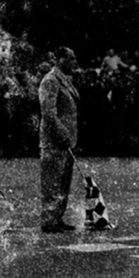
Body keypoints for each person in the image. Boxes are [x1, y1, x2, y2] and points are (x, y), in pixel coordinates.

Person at [38, 47, 80, 232]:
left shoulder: (64, 80)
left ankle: (57, 217)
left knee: (63, 182)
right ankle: (49, 220)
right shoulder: (50, 81)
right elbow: (48, 113)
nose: (75, 63)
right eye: (71, 59)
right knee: (52, 183)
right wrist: (62, 133)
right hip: (54, 141)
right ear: (61, 59)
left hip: (67, 141)